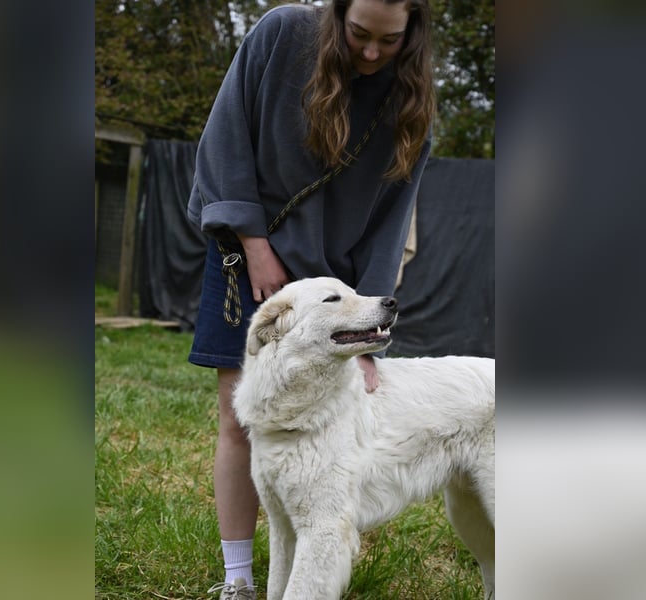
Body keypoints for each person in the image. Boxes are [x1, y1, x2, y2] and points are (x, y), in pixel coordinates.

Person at [187, 1, 435, 597]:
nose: (371, 52)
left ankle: (313, 562)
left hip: (336, 292)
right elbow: (227, 137)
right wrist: (254, 243)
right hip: (248, 258)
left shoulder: (411, 102)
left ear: (412, 34)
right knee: (240, 419)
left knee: (324, 428)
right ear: (336, 13)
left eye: (389, 41)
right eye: (358, 34)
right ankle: (239, 579)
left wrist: (367, 337)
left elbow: (392, 221)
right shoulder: (281, 33)